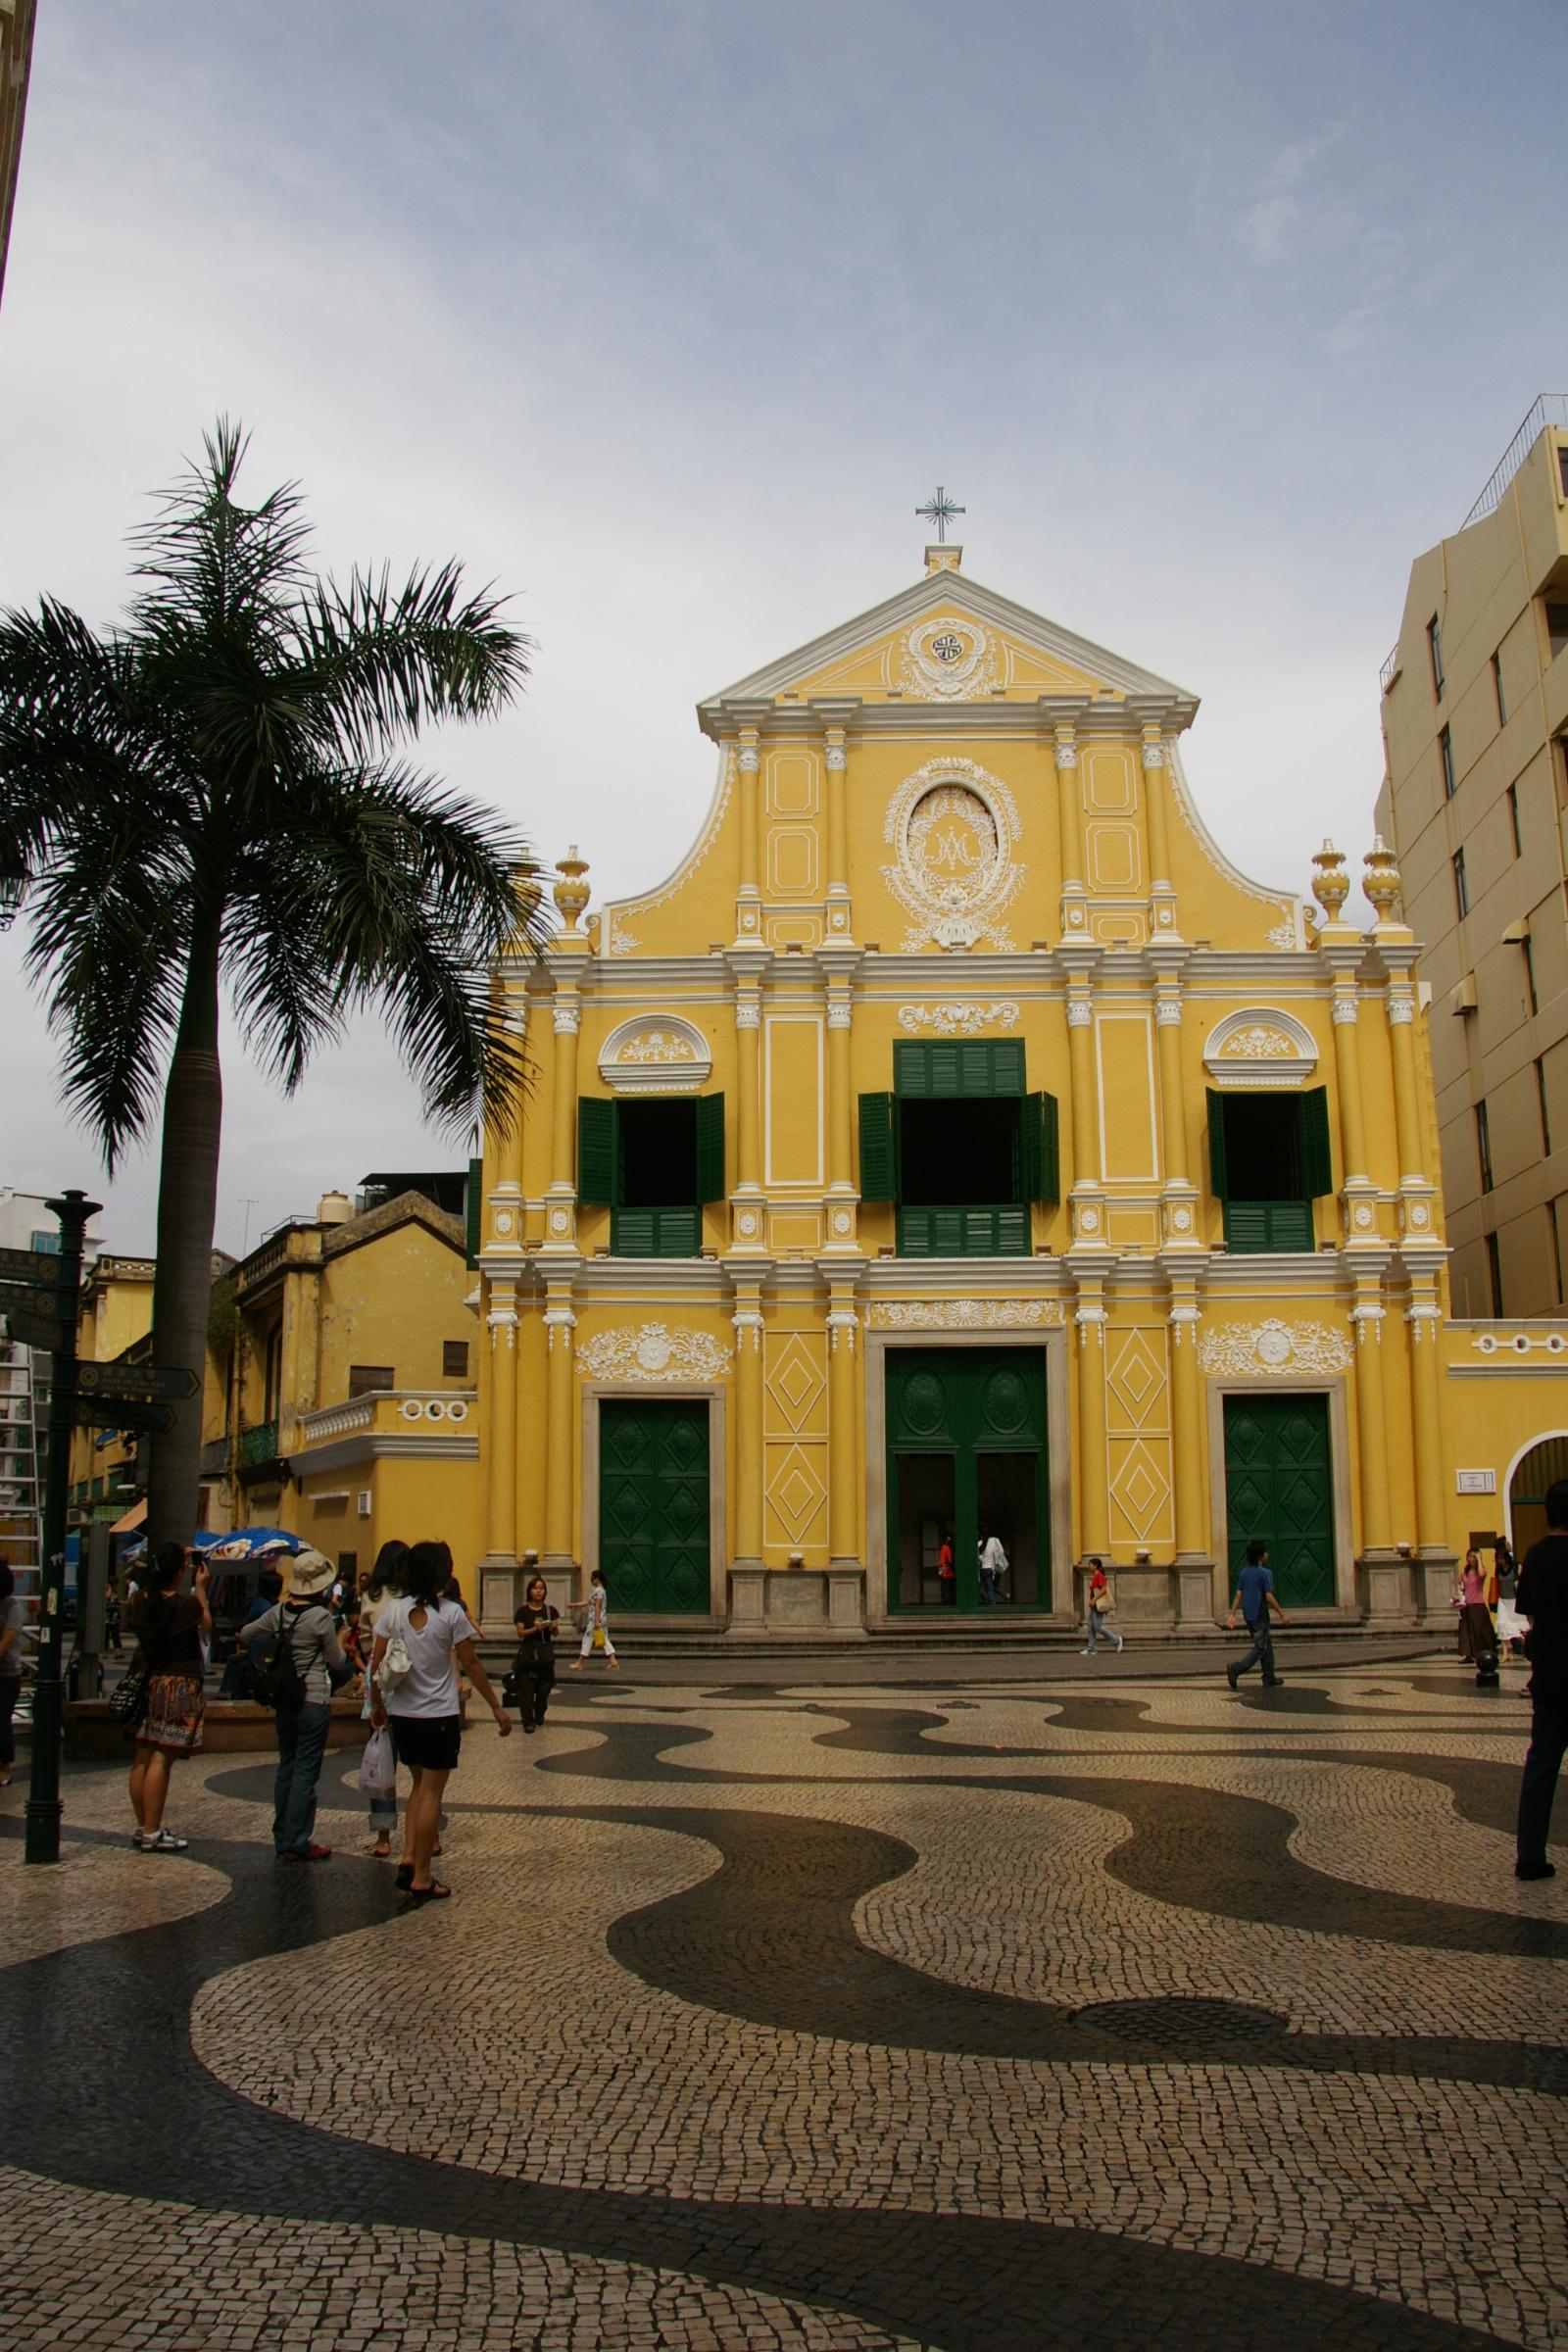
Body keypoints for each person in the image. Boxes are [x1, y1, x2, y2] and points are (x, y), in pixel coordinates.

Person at [369, 1539, 512, 1900]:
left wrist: (376, 1705)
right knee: (432, 1794)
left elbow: (376, 1662)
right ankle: (422, 1874)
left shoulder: (394, 1611)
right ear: (442, 1574)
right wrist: (495, 1707)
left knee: (418, 1787)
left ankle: (408, 1855)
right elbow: (471, 1663)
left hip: (404, 1715)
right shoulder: (451, 1614)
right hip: (439, 1715)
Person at [236, 1548, 345, 1863]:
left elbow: (246, 1634)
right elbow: (337, 1661)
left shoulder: (279, 1612)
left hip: (285, 1698)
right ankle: (297, 1840)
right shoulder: (320, 1618)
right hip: (313, 1698)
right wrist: (339, 1638)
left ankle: (282, 1835)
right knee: (305, 1771)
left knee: (287, 1765)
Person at [126, 1542, 211, 1851]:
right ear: (178, 1573)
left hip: (149, 1680)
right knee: (162, 1759)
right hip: (180, 1682)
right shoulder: (186, 1605)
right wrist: (201, 1588)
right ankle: (152, 1831)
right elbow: (206, 1628)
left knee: (143, 1755)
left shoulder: (139, 1602)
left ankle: (144, 1826)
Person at [1515, 1478, 1568, 1880]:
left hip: (1550, 1677)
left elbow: (1530, 1613)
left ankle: (1530, 1856)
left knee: (1541, 1768)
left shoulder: (1535, 1555)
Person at [358, 1542, 409, 1858]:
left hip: (378, 1681)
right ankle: (427, 1834)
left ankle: (383, 1837)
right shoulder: (412, 1598)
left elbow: (366, 1641)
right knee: (421, 1766)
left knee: (382, 1763)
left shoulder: (370, 1596)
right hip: (408, 1682)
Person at [1225, 1541, 1289, 1690]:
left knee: (1266, 1645)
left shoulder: (1244, 1572)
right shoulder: (1263, 1573)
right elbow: (1268, 1596)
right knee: (1261, 1647)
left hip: (1248, 1613)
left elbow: (1238, 1594)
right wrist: (1282, 1613)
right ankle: (1236, 1669)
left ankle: (1269, 1677)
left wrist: (1232, 1614)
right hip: (1259, 1613)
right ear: (1260, 1556)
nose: (1267, 1554)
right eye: (1265, 1552)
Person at [219, 1565, 283, 1697]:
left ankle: (229, 1692)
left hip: (258, 1651)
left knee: (236, 1665)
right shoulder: (267, 1607)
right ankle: (227, 1691)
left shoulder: (261, 1603)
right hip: (260, 1650)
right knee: (235, 1662)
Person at [512, 1574, 561, 1731]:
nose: (538, 1591)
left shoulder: (550, 1611)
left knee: (544, 1690)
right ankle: (528, 1722)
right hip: (528, 1653)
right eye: (535, 1588)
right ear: (529, 1591)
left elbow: (556, 1633)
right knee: (526, 1691)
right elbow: (520, 1633)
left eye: (541, 1588)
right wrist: (535, 1629)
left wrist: (553, 1627)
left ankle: (539, 1711)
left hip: (545, 1654)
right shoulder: (523, 1611)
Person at [1456, 1549, 1497, 1680]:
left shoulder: (1481, 1570)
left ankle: (1482, 1652)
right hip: (1466, 1603)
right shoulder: (1464, 1571)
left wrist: (1479, 1560)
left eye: (1473, 1557)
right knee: (1465, 1630)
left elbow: (1481, 1574)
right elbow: (1460, 1585)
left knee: (1479, 1629)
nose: (1471, 1559)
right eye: (1469, 1556)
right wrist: (1459, 1596)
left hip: (1477, 1602)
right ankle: (1467, 1654)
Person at [0, 1563, 24, 1788]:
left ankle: (5, 1766)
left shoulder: (12, 1607)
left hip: (6, 1674)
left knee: (2, 1721)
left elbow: (6, 1642)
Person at [571, 1568, 618, 1669]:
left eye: (592, 1578)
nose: (591, 1580)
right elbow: (589, 1603)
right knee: (603, 1639)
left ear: (598, 1579)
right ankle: (613, 1660)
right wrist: (573, 1605)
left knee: (587, 1639)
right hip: (600, 1619)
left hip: (595, 1620)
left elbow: (597, 1606)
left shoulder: (598, 1591)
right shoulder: (600, 1591)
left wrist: (596, 1621)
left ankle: (580, 1662)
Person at [1082, 1558, 1124, 1656]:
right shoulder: (1095, 1576)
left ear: (1095, 1566)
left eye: (1090, 1564)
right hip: (1094, 1605)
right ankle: (1091, 1648)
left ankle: (1117, 1640)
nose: (1088, 1566)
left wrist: (1094, 1599)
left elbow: (1104, 1590)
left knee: (1097, 1627)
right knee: (1091, 1627)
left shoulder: (1099, 1576)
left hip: (1097, 1604)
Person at [978, 1527, 1008, 1607]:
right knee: (993, 1585)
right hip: (995, 1567)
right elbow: (1001, 1551)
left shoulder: (979, 1543)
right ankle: (1005, 1595)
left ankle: (993, 1604)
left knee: (989, 1587)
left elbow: (979, 1557)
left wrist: (983, 1558)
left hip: (985, 1568)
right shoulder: (995, 1540)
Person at [103, 1568, 124, 1658]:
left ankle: (118, 1651)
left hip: (115, 1615)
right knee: (106, 1634)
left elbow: (117, 1601)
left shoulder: (115, 1592)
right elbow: (107, 1597)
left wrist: (125, 1602)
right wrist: (110, 1587)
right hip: (108, 1616)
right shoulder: (107, 1590)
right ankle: (105, 1651)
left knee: (115, 1634)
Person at [937, 1530, 956, 1605]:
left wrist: (940, 1570)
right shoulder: (952, 1547)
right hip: (952, 1572)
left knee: (945, 1590)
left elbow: (942, 1562)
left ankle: (946, 1603)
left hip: (945, 1572)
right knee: (951, 1590)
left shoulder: (945, 1547)